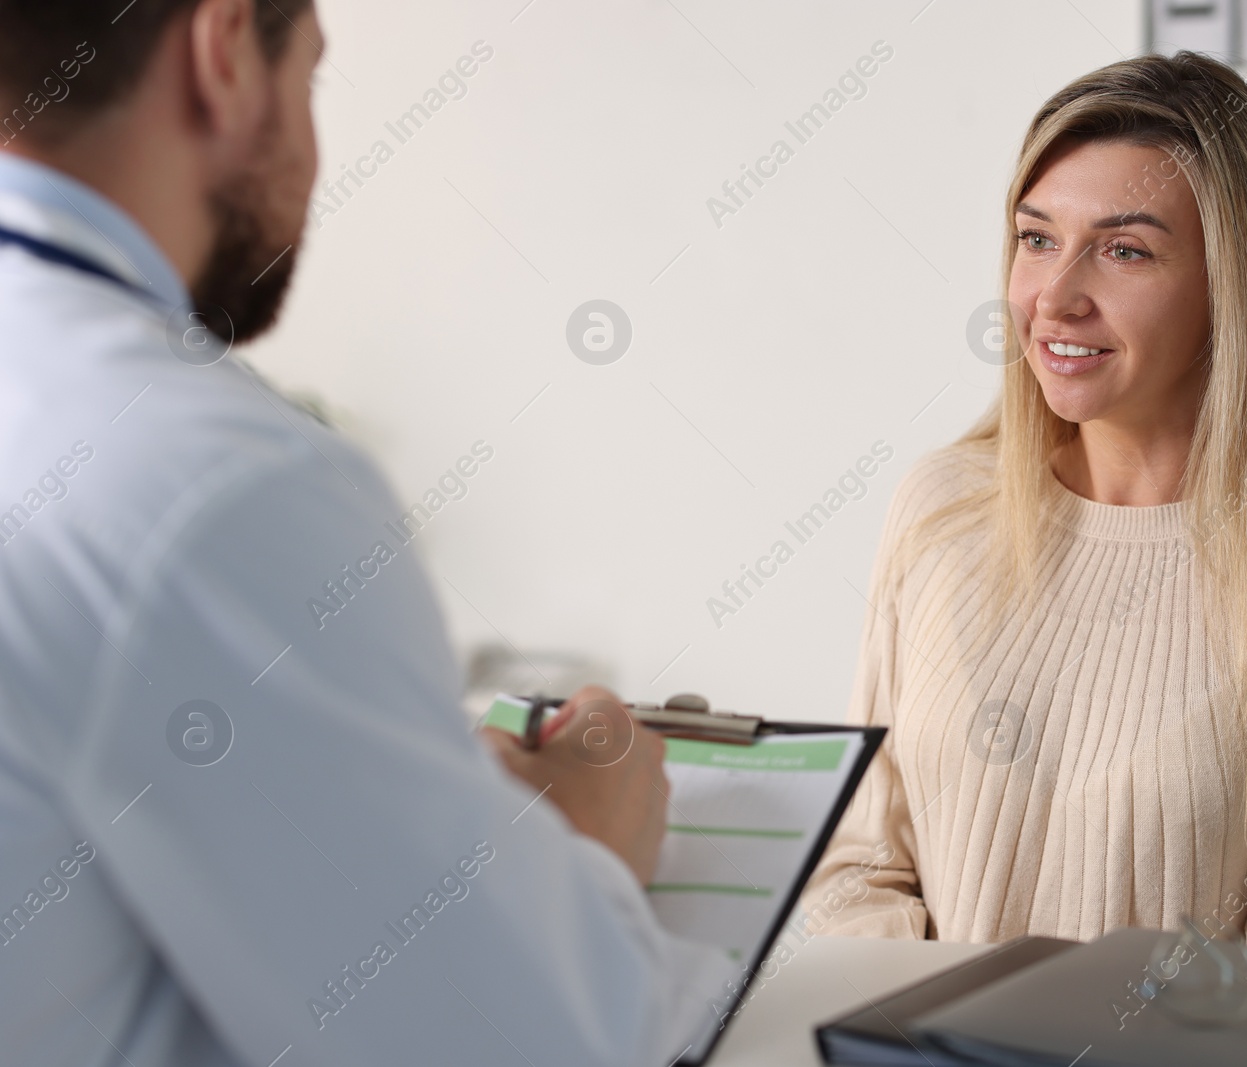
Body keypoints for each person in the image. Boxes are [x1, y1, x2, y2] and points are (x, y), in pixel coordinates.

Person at [0, 2, 731, 1064]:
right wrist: (576, 847)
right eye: (310, 77)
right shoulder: (214, 481)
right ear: (225, 53)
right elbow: (524, 1044)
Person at [799, 50, 1247, 965]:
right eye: (1036, 238)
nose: (1055, 297)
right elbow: (854, 865)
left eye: (1124, 250)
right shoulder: (941, 509)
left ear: (1236, 292)